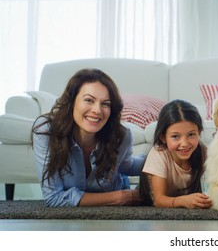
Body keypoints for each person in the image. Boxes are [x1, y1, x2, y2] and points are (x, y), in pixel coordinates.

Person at [32, 68, 144, 207]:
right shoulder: (46, 131)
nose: (97, 110)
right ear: (72, 101)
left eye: (105, 104)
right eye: (89, 100)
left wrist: (165, 154)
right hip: (116, 201)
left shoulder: (121, 135)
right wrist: (120, 197)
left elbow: (129, 166)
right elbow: (53, 198)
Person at [139, 99, 212, 209]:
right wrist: (183, 201)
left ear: (199, 133)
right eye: (175, 136)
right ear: (163, 137)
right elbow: (159, 200)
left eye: (191, 134)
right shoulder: (159, 154)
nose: (184, 144)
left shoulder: (205, 153)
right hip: (152, 201)